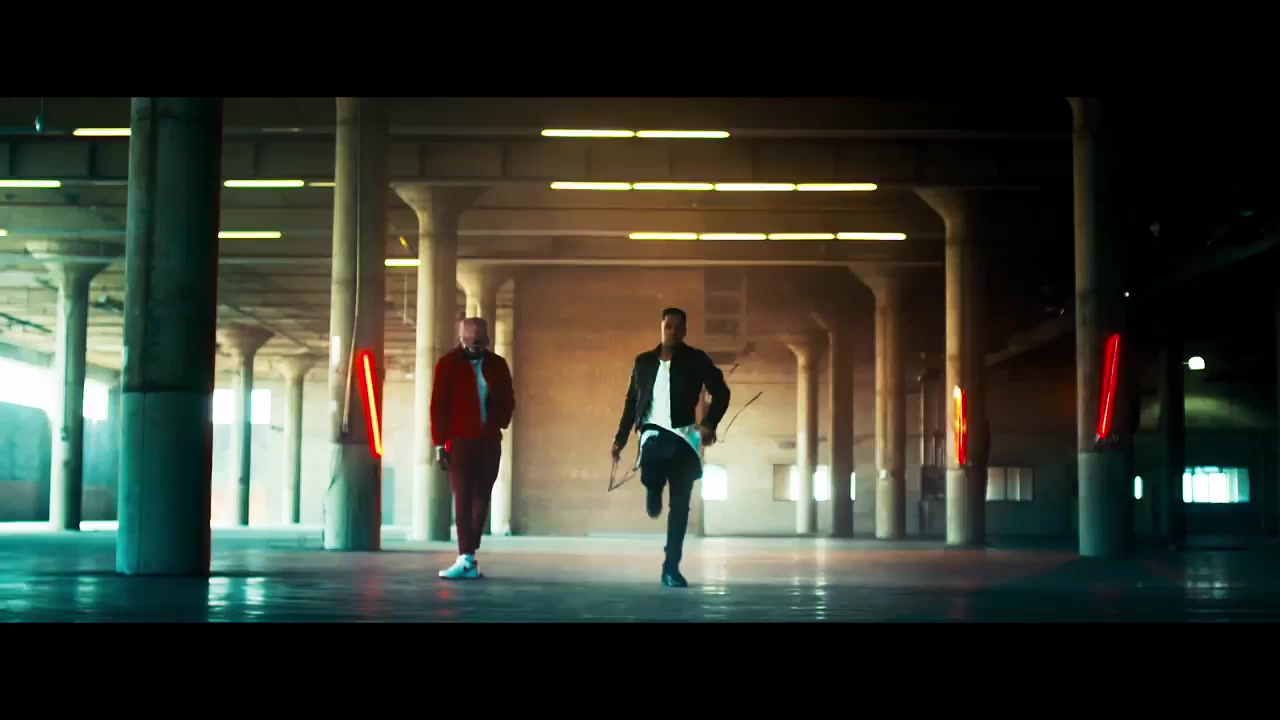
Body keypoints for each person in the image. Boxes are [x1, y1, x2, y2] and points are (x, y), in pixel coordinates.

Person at [612, 307, 730, 587]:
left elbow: (722, 392)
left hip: (684, 438)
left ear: (685, 331)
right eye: (668, 327)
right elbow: (632, 402)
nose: (673, 332)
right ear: (661, 328)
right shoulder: (643, 362)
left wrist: (709, 424)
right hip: (652, 434)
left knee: (680, 506)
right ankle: (652, 486)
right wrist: (620, 439)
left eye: (678, 327)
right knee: (652, 462)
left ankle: (671, 567)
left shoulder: (697, 360)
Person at [431, 317, 515, 580]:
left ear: (487, 339)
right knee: (462, 497)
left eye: (478, 341)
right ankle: (465, 556)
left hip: (488, 439)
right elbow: (438, 406)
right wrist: (440, 443)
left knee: (482, 498)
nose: (474, 345)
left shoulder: (498, 365)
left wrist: (499, 422)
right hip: (459, 441)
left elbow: (509, 398)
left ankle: (469, 551)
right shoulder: (447, 365)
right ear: (461, 338)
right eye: (469, 340)